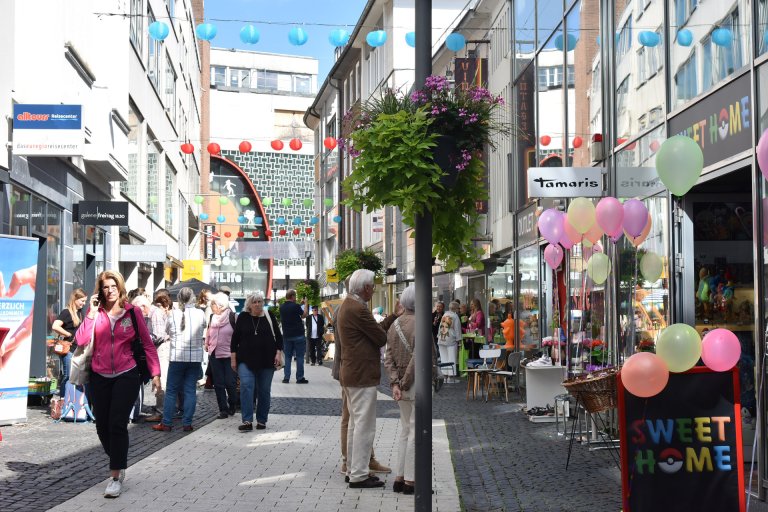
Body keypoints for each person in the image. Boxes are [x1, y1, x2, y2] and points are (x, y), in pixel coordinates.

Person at [74, 270, 161, 498]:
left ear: (120, 287)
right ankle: (118, 459)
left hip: (126, 373)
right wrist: (91, 314)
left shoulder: (132, 313)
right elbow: (81, 340)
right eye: (105, 287)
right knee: (101, 426)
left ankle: (115, 476)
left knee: (117, 423)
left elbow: (148, 344)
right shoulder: (97, 313)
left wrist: (156, 374)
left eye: (113, 286)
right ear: (100, 290)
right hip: (99, 375)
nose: (109, 290)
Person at [336, 269, 400, 489]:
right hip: (360, 374)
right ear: (365, 288)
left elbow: (374, 331)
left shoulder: (349, 305)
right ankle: (360, 475)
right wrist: (392, 318)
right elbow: (380, 337)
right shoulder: (357, 309)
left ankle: (354, 470)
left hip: (353, 372)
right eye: (372, 286)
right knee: (363, 426)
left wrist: (391, 317)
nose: (373, 289)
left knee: (356, 425)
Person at [384, 284, 431, 494]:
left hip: (400, 387)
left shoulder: (394, 325)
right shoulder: (420, 324)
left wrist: (395, 383)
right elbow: (419, 358)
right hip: (416, 384)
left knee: (404, 431)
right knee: (415, 432)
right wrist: (403, 382)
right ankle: (412, 480)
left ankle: (400, 476)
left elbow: (388, 358)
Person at [152, 287, 205, 433]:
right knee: (190, 391)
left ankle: (167, 423)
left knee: (171, 391)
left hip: (177, 357)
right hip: (194, 358)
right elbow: (204, 327)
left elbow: (167, 331)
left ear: (179, 299)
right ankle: (187, 423)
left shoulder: (173, 314)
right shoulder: (200, 313)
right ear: (192, 298)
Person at [230, 292, 283, 431]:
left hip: (267, 360)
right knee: (247, 387)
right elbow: (234, 339)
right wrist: (233, 358)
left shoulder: (269, 316)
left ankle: (262, 420)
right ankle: (247, 420)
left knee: (264, 391)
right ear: (249, 304)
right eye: (254, 302)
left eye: (259, 301)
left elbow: (278, 337)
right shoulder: (243, 317)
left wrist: (278, 353)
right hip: (245, 360)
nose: (258, 304)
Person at [206, 292, 238, 418]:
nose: (211, 306)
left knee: (230, 383)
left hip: (230, 355)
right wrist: (207, 343)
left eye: (213, 304)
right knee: (218, 384)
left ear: (220, 305)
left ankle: (233, 404)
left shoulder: (233, 317)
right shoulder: (212, 317)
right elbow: (209, 331)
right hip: (215, 354)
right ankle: (223, 410)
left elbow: (239, 335)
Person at [51, 288, 87, 398]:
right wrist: (68, 334)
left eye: (85, 301)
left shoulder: (80, 313)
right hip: (68, 349)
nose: (84, 304)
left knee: (74, 376)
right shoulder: (66, 312)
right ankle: (63, 401)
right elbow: (55, 326)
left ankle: (70, 401)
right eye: (82, 301)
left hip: (78, 349)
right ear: (75, 299)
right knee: (68, 376)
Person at [145, 291, 172, 423]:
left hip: (162, 350)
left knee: (160, 380)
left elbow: (159, 335)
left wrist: (144, 338)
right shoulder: (156, 313)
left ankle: (161, 412)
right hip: (162, 349)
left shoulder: (154, 314)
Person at [279, 289, 308, 384]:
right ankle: (299, 378)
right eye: (295, 297)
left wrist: (299, 304)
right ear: (292, 297)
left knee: (287, 357)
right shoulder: (295, 306)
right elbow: (304, 315)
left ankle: (286, 377)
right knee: (299, 357)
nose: (296, 298)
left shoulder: (282, 307)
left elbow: (292, 309)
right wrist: (306, 304)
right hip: (298, 335)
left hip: (287, 336)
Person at [437, 300, 462, 382]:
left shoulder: (445, 315)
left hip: (441, 339)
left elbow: (440, 327)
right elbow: (457, 330)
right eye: (458, 308)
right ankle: (451, 378)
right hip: (450, 340)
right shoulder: (455, 316)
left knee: (444, 358)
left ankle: (445, 376)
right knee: (452, 358)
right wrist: (459, 340)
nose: (459, 310)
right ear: (456, 309)